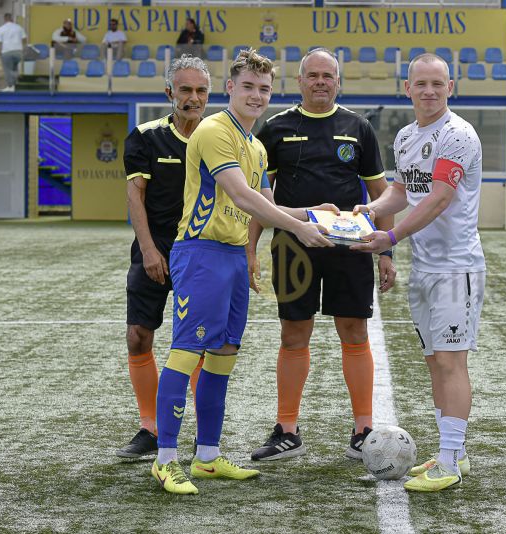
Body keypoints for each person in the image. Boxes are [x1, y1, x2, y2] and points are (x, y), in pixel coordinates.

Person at [150, 48, 333, 495]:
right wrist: (300, 230)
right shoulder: (214, 131)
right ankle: (166, 459)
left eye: (264, 88)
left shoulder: (255, 144)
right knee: (186, 352)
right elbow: (241, 195)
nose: (256, 95)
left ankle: (208, 457)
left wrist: (314, 214)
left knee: (224, 355)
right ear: (230, 88)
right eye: (247, 86)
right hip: (201, 254)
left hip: (232, 257)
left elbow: (266, 206)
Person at [249, 47, 396, 462]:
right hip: (293, 247)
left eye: (327, 75)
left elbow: (379, 195)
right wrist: (250, 248)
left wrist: (388, 253)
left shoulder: (358, 127)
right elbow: (259, 197)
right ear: (299, 82)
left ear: (338, 81)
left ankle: (362, 428)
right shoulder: (276, 128)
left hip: (350, 247)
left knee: (354, 330)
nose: (319, 81)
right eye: (311, 75)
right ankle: (287, 429)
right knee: (294, 331)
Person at [351, 52, 485, 492]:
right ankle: (453, 454)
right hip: (425, 269)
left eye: (438, 83)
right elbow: (402, 191)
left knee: (450, 361)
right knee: (434, 363)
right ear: (406, 88)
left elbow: (439, 198)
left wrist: (390, 239)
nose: (429, 91)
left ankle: (449, 460)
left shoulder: (457, 134)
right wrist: (367, 211)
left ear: (452, 87)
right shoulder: (407, 136)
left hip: (455, 269)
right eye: (420, 84)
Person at [117, 55, 212, 459]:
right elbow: (134, 196)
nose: (193, 98)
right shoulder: (145, 136)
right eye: (186, 89)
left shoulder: (219, 137)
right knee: (139, 336)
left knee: (199, 345)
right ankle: (150, 427)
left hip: (203, 254)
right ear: (169, 92)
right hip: (154, 250)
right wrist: (150, 250)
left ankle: (203, 432)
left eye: (201, 90)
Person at [0, 13, 26, 92]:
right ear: (12, 19)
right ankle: (15, 85)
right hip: (18, 52)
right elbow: (24, 39)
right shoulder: (19, 28)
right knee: (14, 69)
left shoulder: (1, 29)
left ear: (4, 19)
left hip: (7, 52)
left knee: (8, 70)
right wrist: (23, 49)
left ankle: (10, 86)